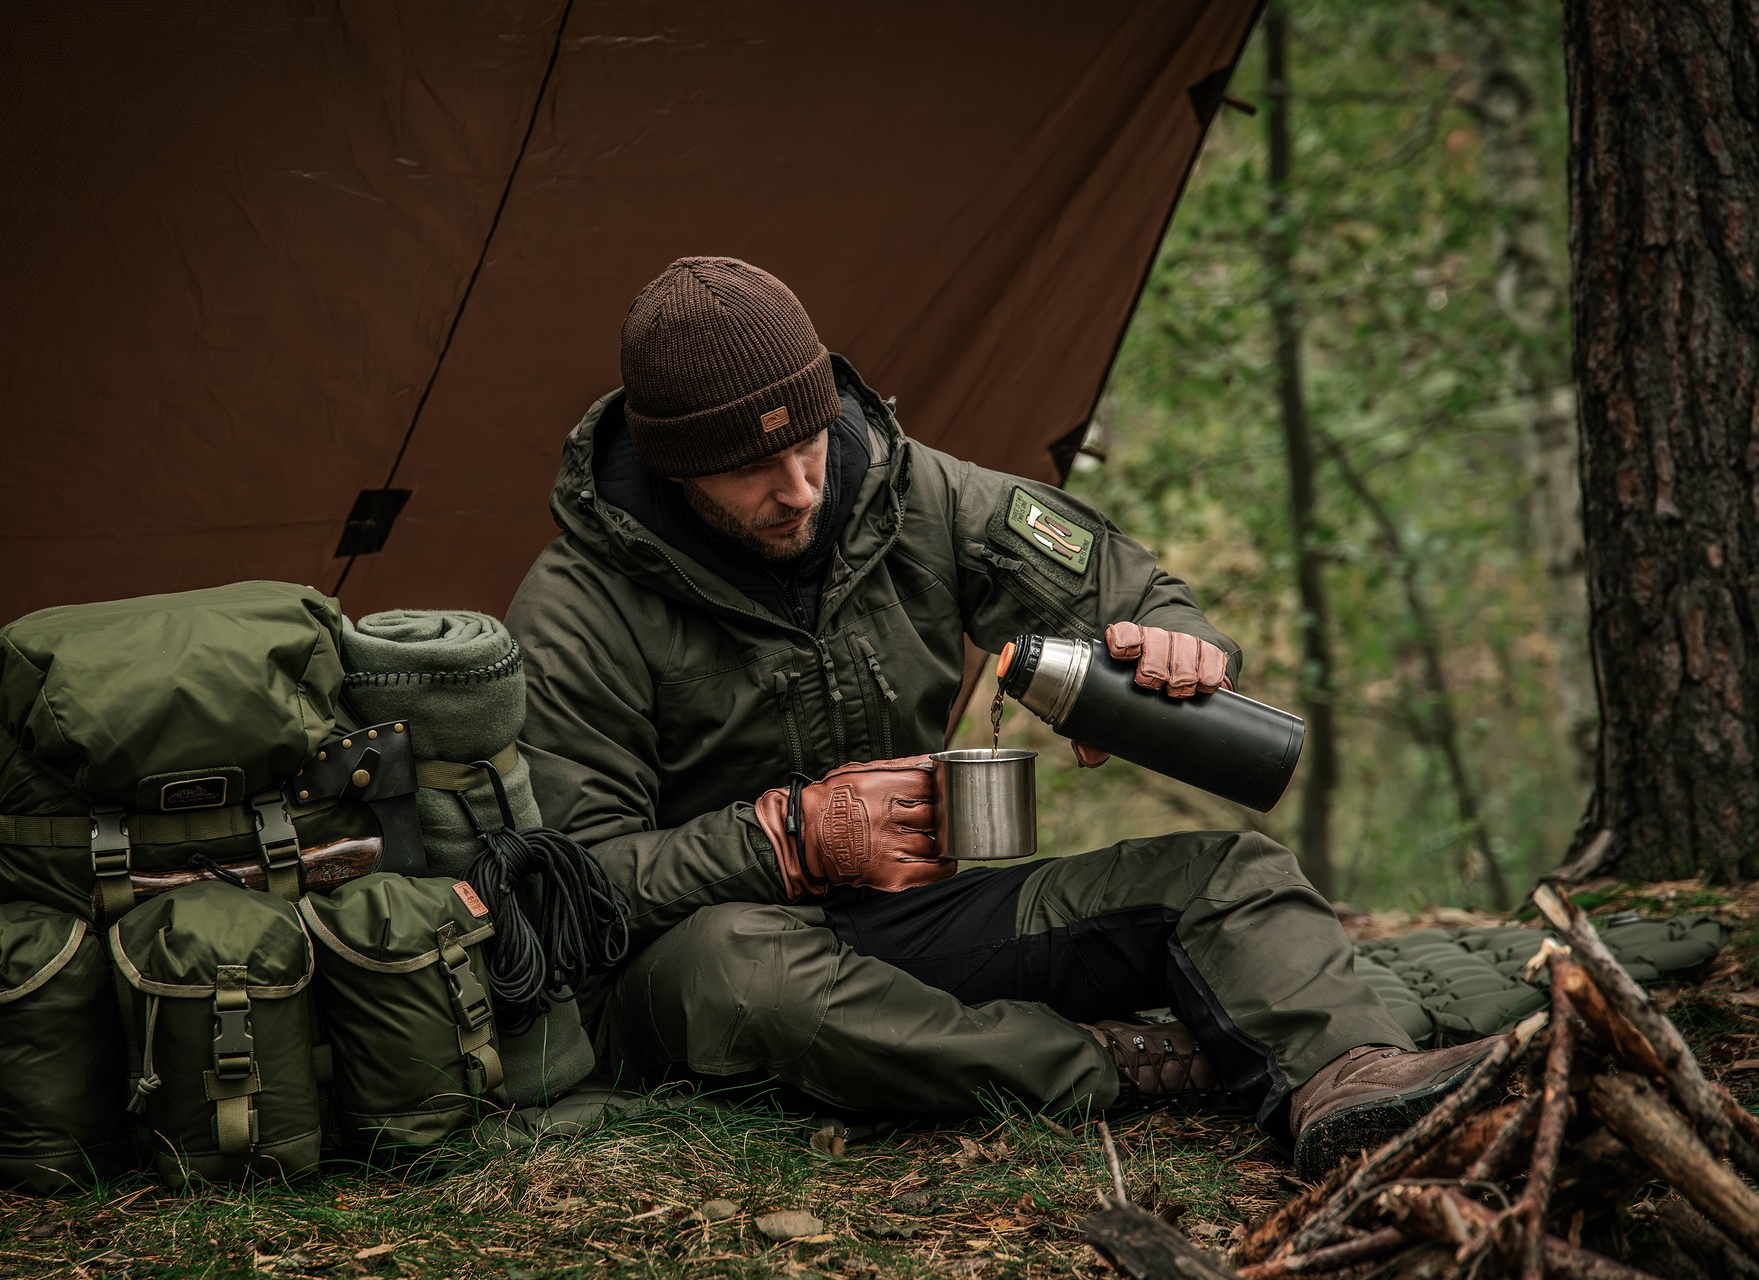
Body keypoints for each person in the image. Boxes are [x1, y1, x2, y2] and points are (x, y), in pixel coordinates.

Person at [504, 256, 1491, 1178]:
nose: (799, 489)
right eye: (751, 470)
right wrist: (781, 841)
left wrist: (1175, 639)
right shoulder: (579, 607)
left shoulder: (906, 492)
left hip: (903, 922)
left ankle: (1353, 1080)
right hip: (698, 968)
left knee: (1232, 873)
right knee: (736, 967)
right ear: (676, 465)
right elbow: (570, 891)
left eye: (808, 442)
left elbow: (1122, 583)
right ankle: (1116, 1063)